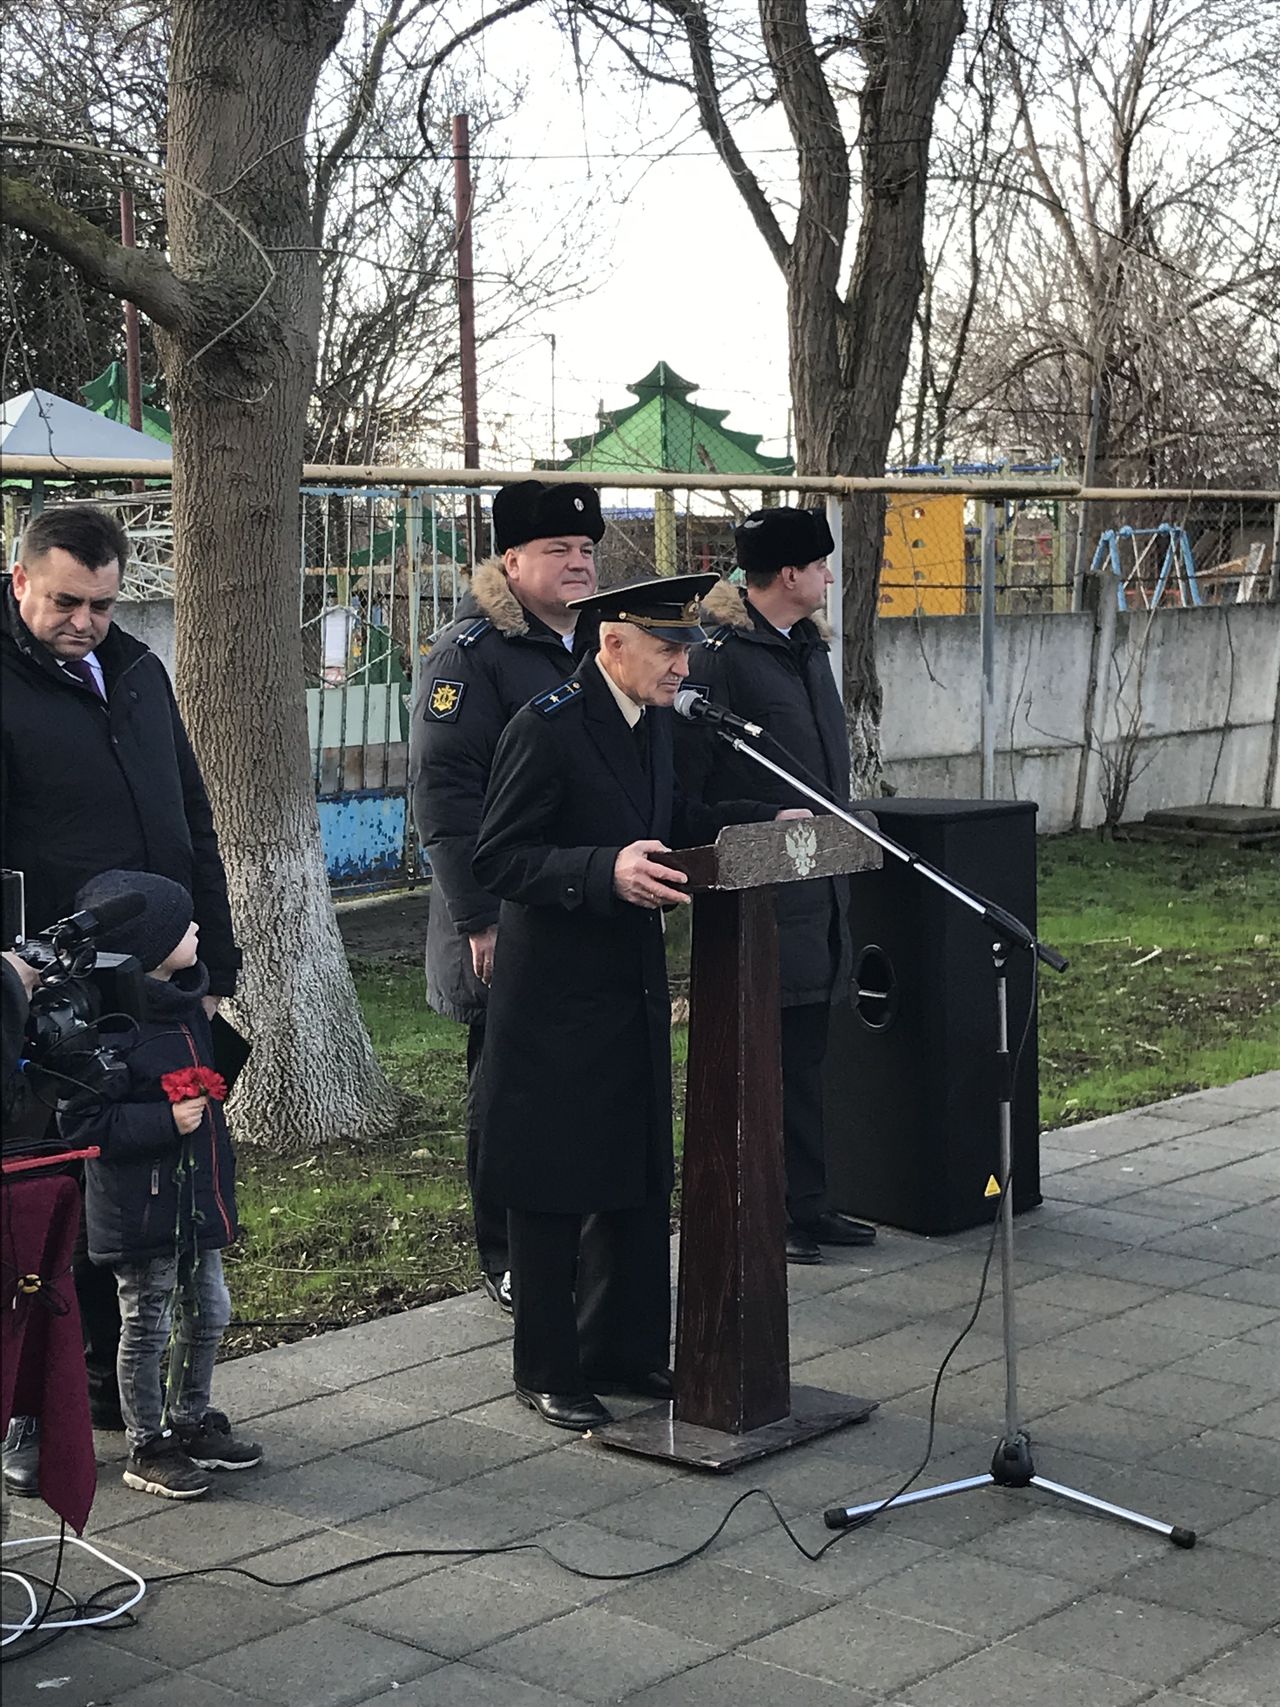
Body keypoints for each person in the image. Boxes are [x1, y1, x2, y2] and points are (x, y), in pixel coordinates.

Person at [472, 574, 805, 1431]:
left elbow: (677, 814)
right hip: (553, 999)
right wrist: (601, 870)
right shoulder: (544, 728)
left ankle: (621, 1349)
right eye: (669, 648)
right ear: (612, 645)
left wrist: (763, 818)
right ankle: (547, 1367)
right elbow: (500, 858)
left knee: (632, 1171)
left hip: (632, 988)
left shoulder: (653, 724)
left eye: (687, 646)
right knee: (552, 1187)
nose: (684, 663)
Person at [1, 502, 240, 1479]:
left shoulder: (136, 670)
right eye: (64, 600)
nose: (84, 621)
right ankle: (33, 1413)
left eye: (102, 603)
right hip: (44, 990)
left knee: (147, 1197)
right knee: (53, 1203)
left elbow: (191, 816)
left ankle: (132, 1397)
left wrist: (212, 962)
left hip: (158, 979)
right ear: (18, 580)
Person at [410, 480, 603, 1313]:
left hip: (587, 903)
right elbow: (445, 795)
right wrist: (479, 918)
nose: (578, 564)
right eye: (559, 550)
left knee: (585, 1085)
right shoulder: (474, 653)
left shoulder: (603, 640)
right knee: (508, 1091)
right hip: (503, 909)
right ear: (511, 559)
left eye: (588, 550)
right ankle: (509, 1255)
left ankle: (588, 1245)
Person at [676, 507, 876, 1264]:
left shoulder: (807, 649)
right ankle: (769, 1206)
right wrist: (769, 816)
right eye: (821, 565)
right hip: (761, 893)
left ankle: (811, 1200)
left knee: (809, 1056)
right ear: (789, 574)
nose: (830, 576)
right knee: (765, 1061)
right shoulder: (720, 656)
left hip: (818, 884)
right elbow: (689, 798)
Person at [58, 870, 260, 1501]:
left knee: (209, 1310)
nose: (197, 930)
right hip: (140, 1207)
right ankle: (147, 1443)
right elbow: (83, 1121)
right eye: (182, 925)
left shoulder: (187, 1006)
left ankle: (192, 1417)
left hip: (194, 1195)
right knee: (147, 1321)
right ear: (146, 949)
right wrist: (163, 1120)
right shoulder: (109, 1028)